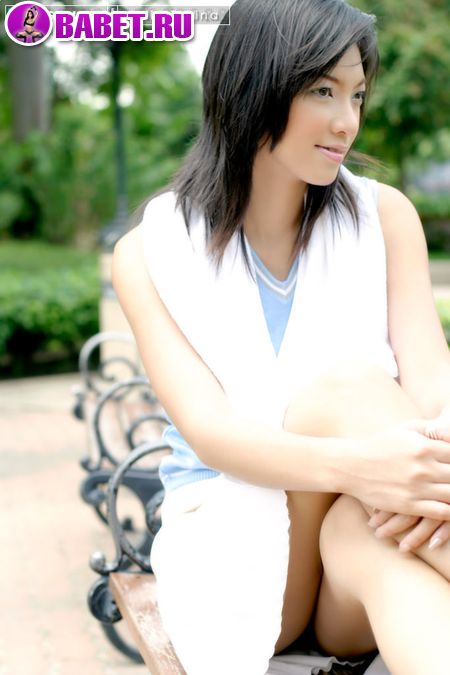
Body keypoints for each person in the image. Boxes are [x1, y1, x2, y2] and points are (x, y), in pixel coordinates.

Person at [112, 1, 450, 673]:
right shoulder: (151, 251)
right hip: (236, 549)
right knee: (347, 390)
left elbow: (435, 386)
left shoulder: (385, 219)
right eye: (323, 90)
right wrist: (365, 466)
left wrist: (392, 475)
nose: (347, 120)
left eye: (356, 95)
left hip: (360, 536)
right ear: (254, 84)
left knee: (368, 535)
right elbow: (213, 436)